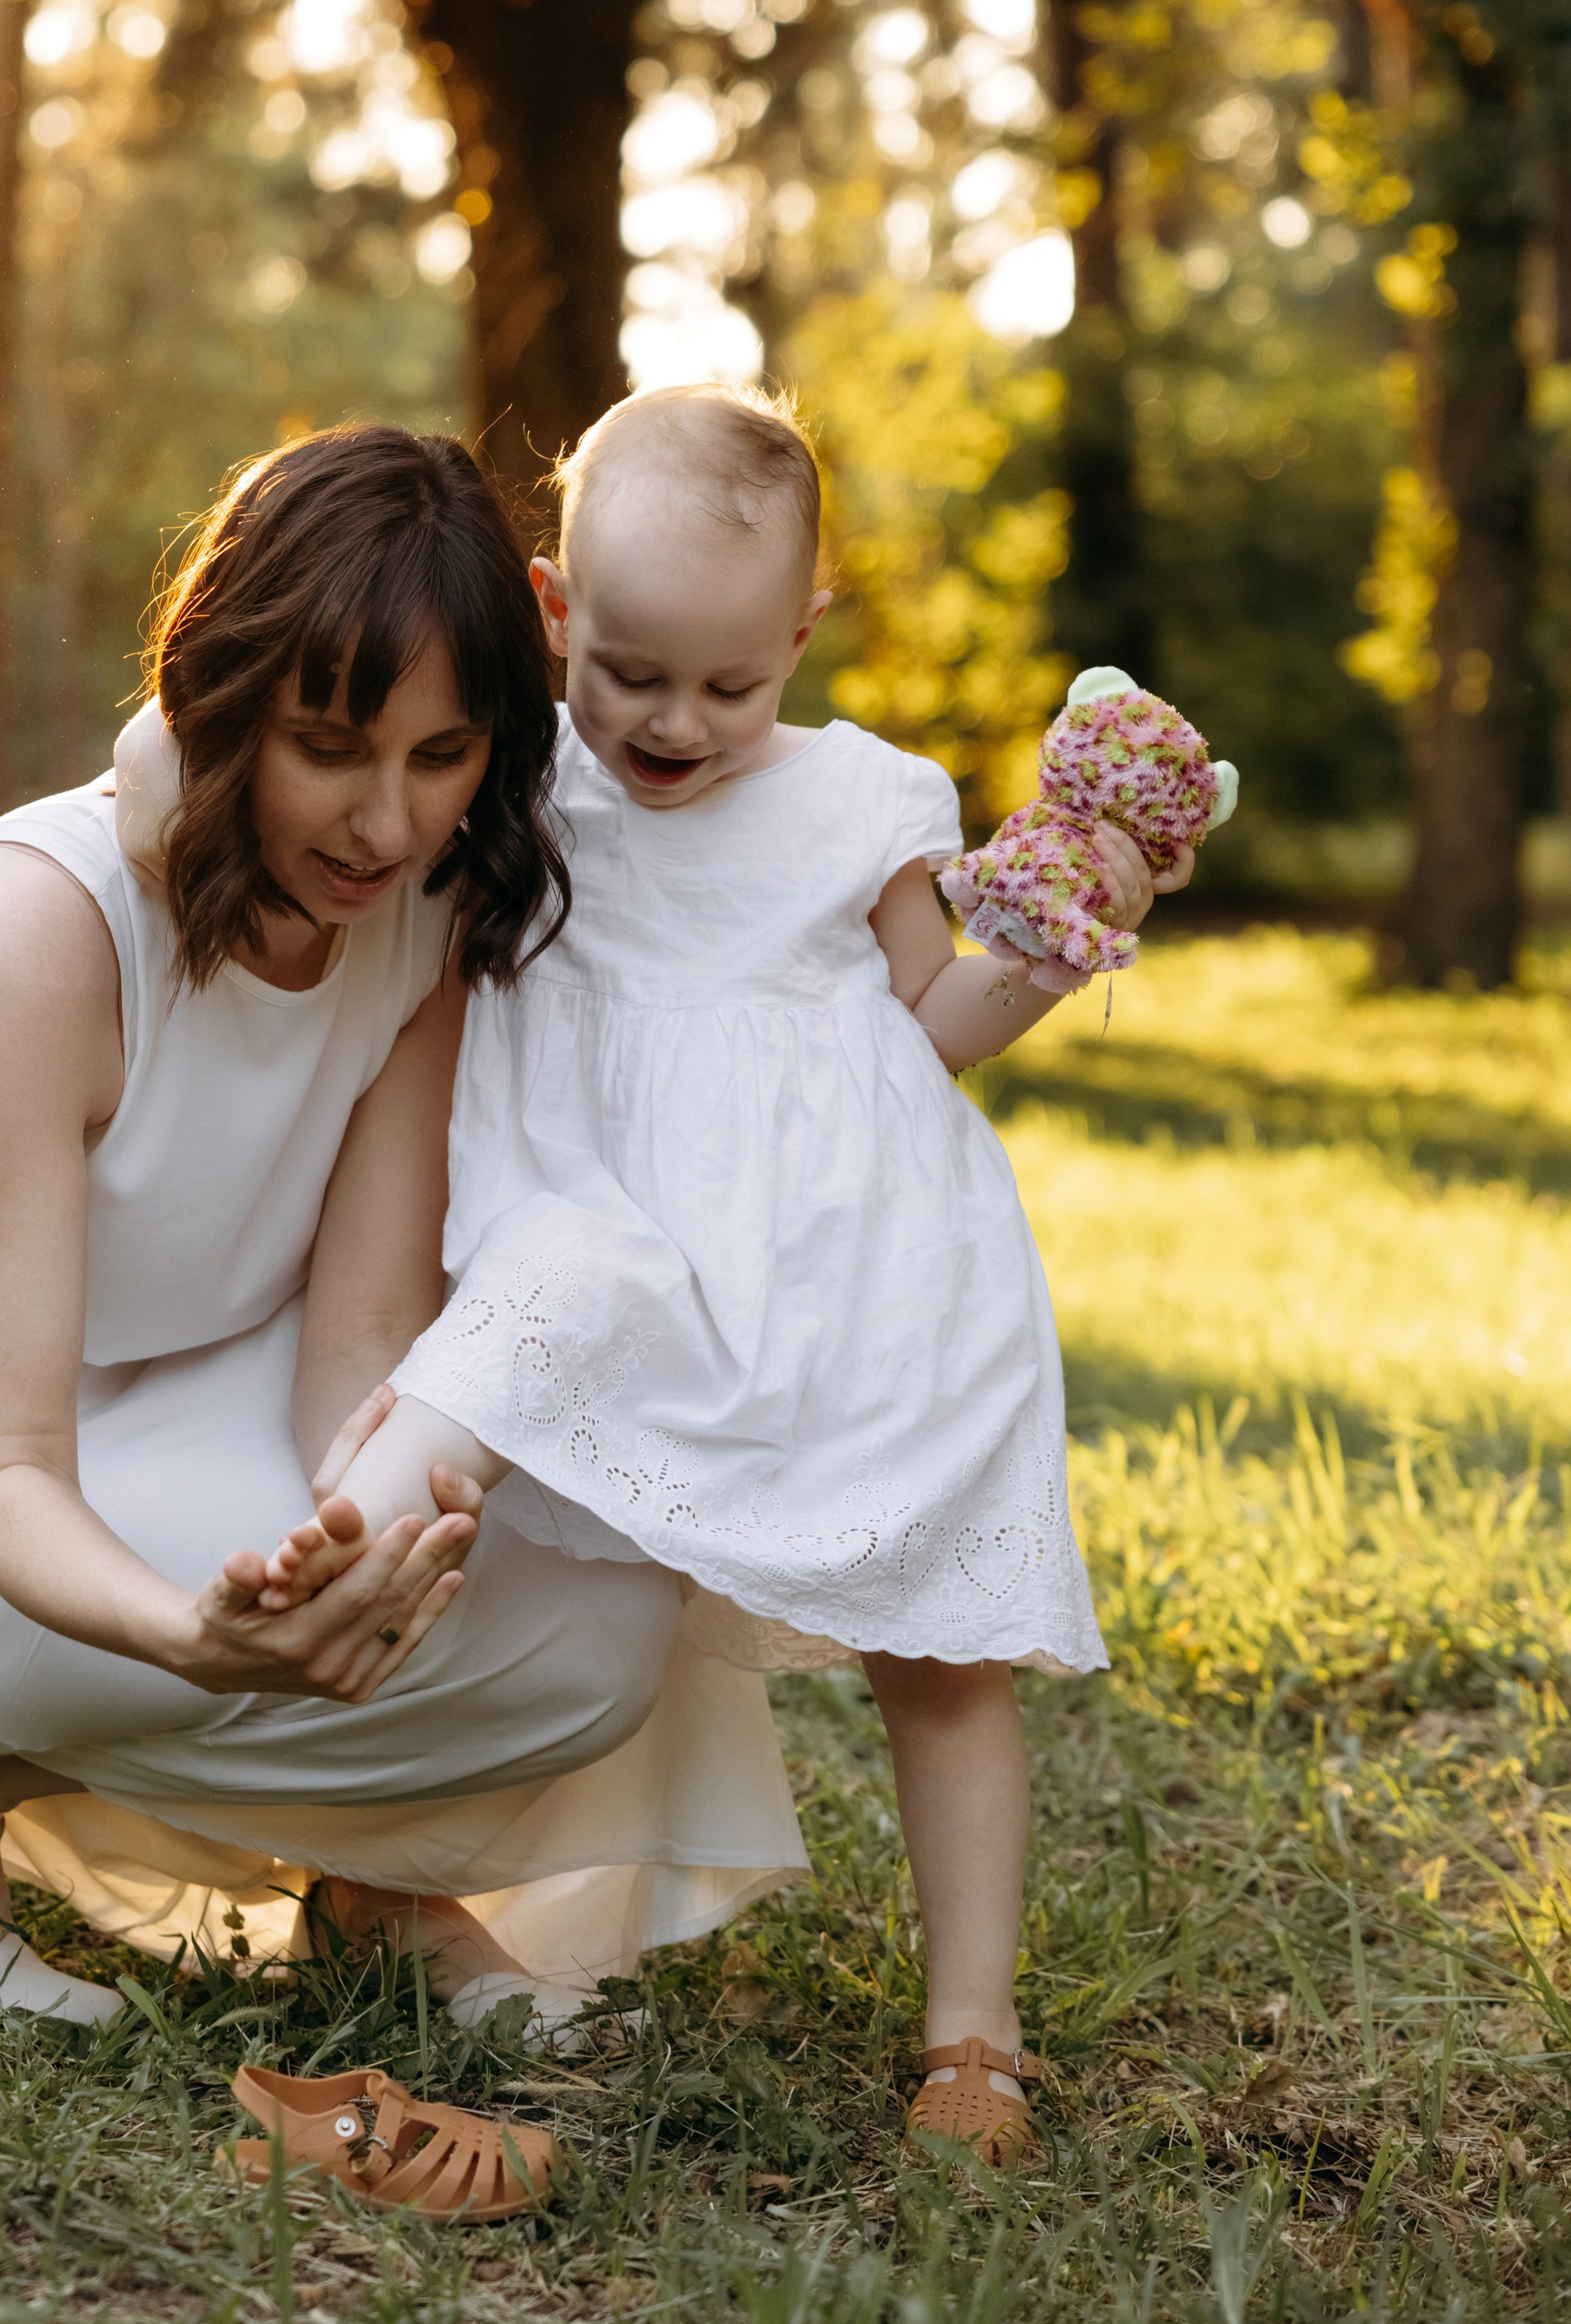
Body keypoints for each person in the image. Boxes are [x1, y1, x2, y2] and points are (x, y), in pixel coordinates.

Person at [0, 425, 805, 2035]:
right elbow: (2, 1471)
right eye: (329, 745)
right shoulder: (28, 939)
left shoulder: (421, 918)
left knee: (591, 1621)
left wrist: (367, 1546)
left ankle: (366, 1890)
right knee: (357, 1595)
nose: (382, 825)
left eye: (440, 754)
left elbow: (354, 1346)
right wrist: (185, 1636)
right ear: (225, 694)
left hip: (146, 1395)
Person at [239, 385, 1189, 2163]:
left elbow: (933, 1028)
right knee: (473, 1553)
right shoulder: (510, 780)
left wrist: (1066, 921)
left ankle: (971, 2033)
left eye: (727, 685)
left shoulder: (859, 800)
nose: (673, 722)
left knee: (940, 1643)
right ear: (548, 611)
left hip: (854, 1276)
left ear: (802, 638)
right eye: (628, 670)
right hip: (593, 1266)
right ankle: (371, 1872)